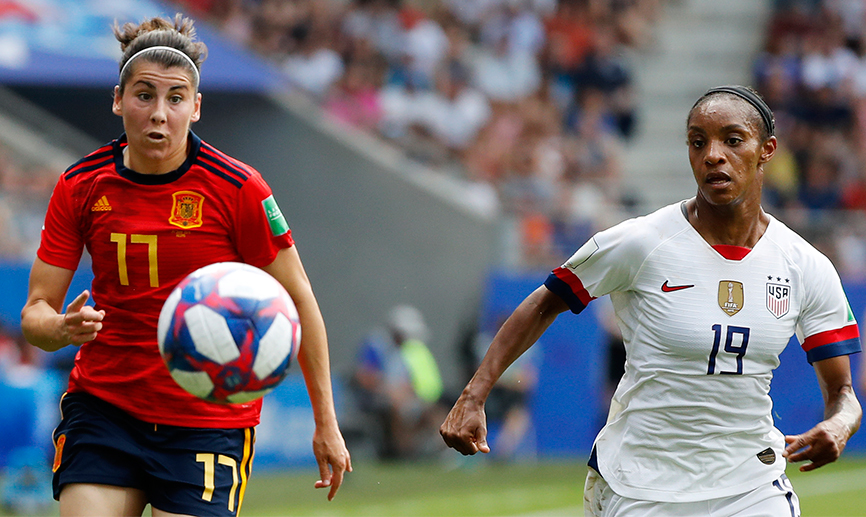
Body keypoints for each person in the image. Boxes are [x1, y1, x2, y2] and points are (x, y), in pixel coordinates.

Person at [440, 85, 862, 516]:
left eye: (732, 140)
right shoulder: (641, 242)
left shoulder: (805, 265)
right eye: (698, 142)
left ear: (766, 150)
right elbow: (544, 302)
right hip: (642, 485)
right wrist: (474, 394)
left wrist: (840, 424)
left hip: (751, 484)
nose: (713, 155)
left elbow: (842, 391)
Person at [19, 14, 351, 517]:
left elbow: (299, 300)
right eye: (144, 95)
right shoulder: (80, 185)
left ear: (195, 108)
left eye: (175, 99)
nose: (159, 113)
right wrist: (61, 327)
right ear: (117, 99)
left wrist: (325, 420)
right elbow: (35, 314)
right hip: (105, 408)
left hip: (208, 420)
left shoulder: (239, 188)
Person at [351, 304, 445, 460]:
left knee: (434, 412)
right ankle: (402, 452)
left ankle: (439, 451)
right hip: (377, 395)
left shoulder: (407, 349)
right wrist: (389, 388)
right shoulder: (375, 345)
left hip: (405, 394)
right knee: (397, 407)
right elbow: (365, 377)